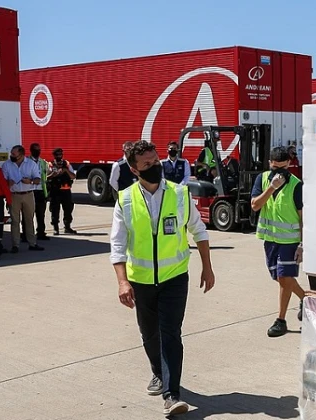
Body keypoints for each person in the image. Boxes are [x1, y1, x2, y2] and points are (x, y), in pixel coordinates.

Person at [109, 140, 216, 416]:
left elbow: (199, 231)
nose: (155, 166)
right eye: (147, 164)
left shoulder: (180, 194)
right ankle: (158, 372)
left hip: (175, 278)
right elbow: (118, 245)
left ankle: (172, 395)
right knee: (149, 333)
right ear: (134, 170)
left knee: (170, 333)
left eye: (156, 161)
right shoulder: (125, 199)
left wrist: (207, 267)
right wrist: (122, 281)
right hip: (141, 281)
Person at [251, 147, 306, 338]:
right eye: (275, 168)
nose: (279, 173)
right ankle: (306, 299)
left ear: (289, 164)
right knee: (280, 277)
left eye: (283, 168)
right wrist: (272, 187)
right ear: (270, 164)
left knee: (284, 279)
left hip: (290, 241)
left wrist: (302, 245)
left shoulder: (296, 185)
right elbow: (255, 205)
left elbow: (303, 217)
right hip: (270, 240)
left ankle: (281, 320)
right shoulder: (263, 179)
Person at [2, 145, 45, 253]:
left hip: (28, 194)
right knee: (15, 221)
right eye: (11, 153)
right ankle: (15, 245)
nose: (11, 155)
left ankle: (32, 243)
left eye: (14, 154)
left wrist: (30, 181)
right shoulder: (7, 164)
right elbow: (2, 181)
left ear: (21, 154)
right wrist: (8, 183)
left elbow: (38, 179)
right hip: (14, 195)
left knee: (29, 219)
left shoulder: (31, 164)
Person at [24, 143, 51, 241]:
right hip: (29, 190)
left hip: (40, 191)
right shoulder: (26, 162)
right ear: (31, 150)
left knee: (40, 214)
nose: (37, 152)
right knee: (27, 215)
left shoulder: (43, 162)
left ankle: (41, 233)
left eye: (39, 150)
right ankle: (26, 234)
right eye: (35, 150)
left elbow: (47, 173)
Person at [47, 148, 77, 235]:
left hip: (66, 191)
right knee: (54, 210)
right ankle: (55, 228)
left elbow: (73, 176)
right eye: (57, 155)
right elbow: (45, 177)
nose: (59, 156)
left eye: (60, 154)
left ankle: (67, 227)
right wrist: (53, 174)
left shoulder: (66, 164)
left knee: (68, 209)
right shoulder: (50, 165)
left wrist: (65, 170)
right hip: (55, 191)